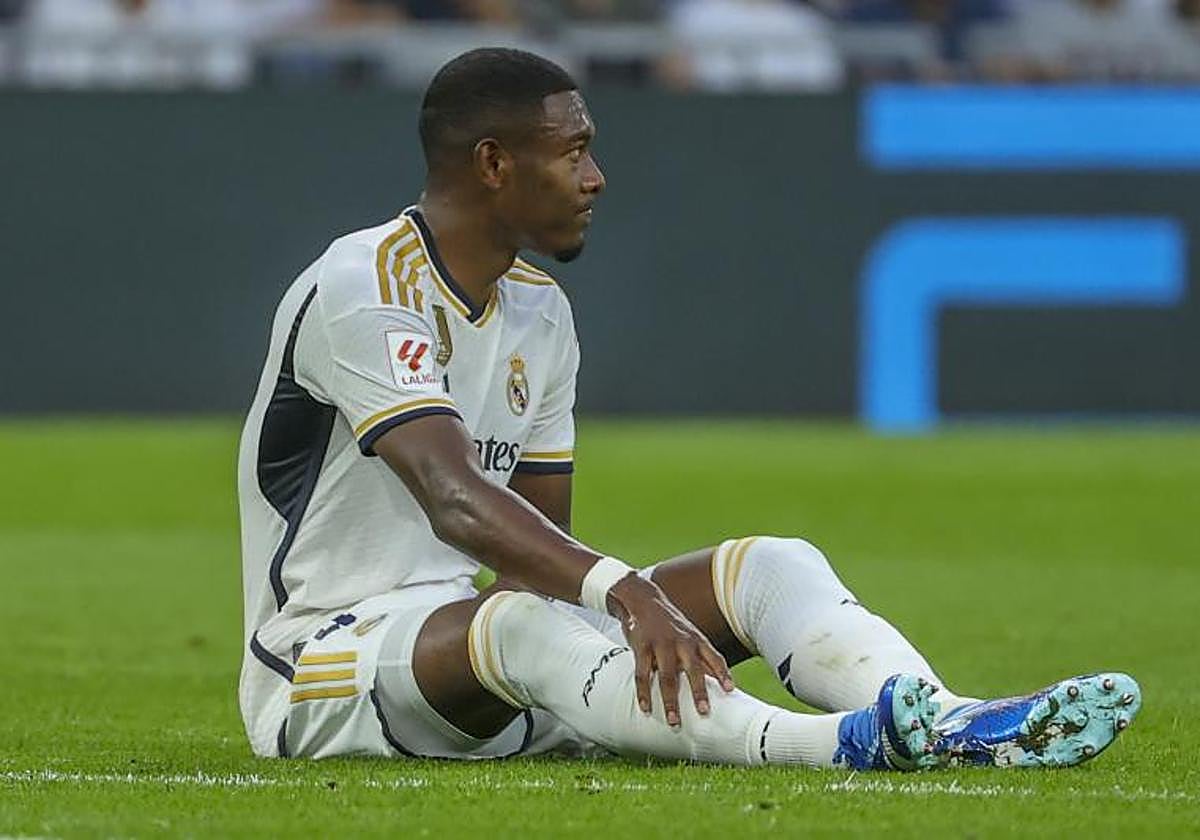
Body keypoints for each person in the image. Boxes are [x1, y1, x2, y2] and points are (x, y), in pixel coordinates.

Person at [236, 47, 1140, 769]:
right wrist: (627, 594)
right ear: (494, 163)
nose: (596, 176)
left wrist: (602, 626)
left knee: (771, 566)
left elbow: (539, 548)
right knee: (520, 624)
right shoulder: (366, 284)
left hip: (473, 663)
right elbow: (454, 497)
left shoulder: (539, 311)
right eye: (573, 151)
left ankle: (949, 723)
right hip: (321, 667)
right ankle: (838, 745)